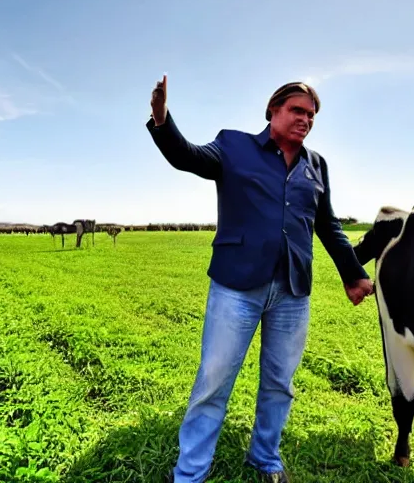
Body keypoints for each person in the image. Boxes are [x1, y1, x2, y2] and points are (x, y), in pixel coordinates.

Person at [147, 76, 373, 483]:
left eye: (311, 114)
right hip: (237, 287)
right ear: (273, 111)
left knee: (279, 383)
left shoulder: (315, 166)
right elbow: (189, 157)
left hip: (292, 291)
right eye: (297, 111)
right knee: (214, 381)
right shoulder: (235, 147)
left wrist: (354, 275)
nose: (305, 120)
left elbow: (328, 225)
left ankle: (265, 458)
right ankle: (189, 472)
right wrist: (163, 120)